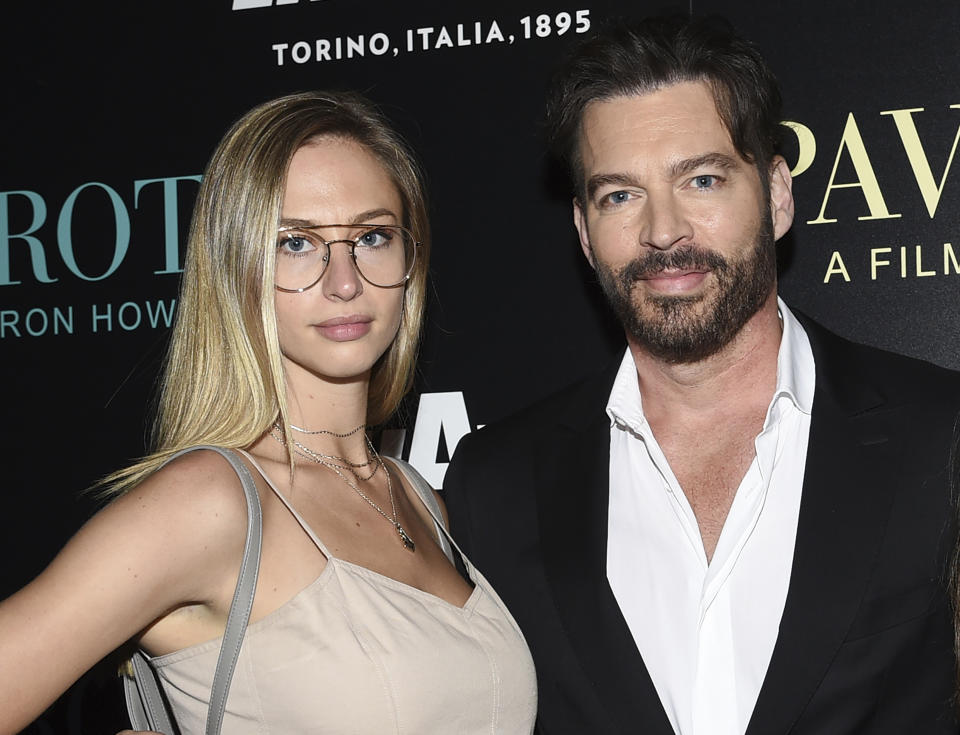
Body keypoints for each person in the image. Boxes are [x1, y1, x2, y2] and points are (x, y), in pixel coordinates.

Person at [443, 15, 960, 735]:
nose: (664, 230)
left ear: (778, 195)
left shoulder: (941, 436)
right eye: (620, 194)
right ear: (584, 233)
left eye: (703, 179)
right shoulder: (496, 484)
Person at [0, 91, 536, 735]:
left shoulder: (416, 497)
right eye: (296, 244)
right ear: (237, 268)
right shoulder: (211, 502)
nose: (344, 280)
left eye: (372, 236)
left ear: (410, 259)